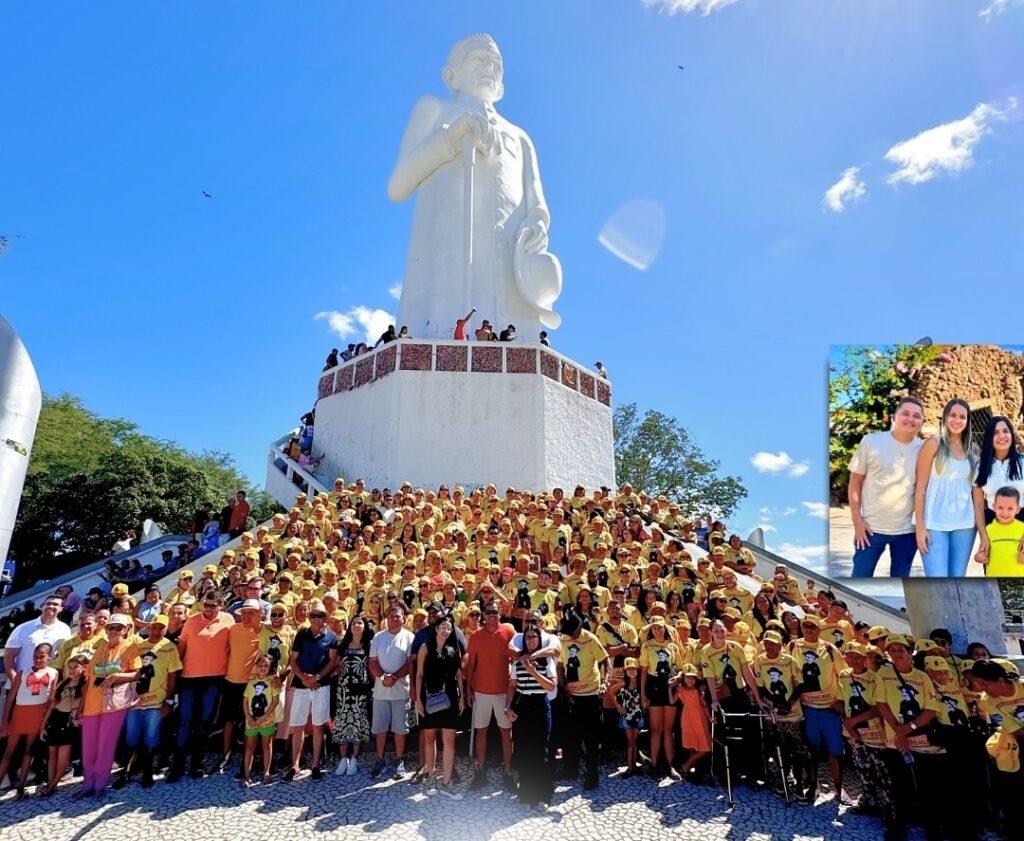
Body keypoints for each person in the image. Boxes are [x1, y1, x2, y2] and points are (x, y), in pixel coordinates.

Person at [388, 34, 563, 338]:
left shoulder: (520, 138)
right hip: (447, 255)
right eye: (478, 59)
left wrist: (537, 224)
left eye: (496, 64)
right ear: (451, 75)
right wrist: (450, 137)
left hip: (510, 261)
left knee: (514, 325)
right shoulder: (435, 109)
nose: (489, 68)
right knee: (444, 311)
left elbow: (537, 204)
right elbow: (398, 186)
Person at [848, 396, 924, 576]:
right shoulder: (871, 442)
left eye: (916, 416)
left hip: (908, 532)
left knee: (900, 582)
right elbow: (855, 482)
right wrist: (857, 521)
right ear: (894, 417)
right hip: (870, 530)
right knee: (859, 579)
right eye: (905, 413)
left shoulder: (923, 449)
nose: (910, 419)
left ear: (922, 422)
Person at [170, 593, 234, 781]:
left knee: (204, 722)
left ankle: (197, 764)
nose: (208, 609)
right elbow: (181, 647)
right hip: (189, 678)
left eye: (213, 605)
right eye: (206, 604)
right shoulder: (192, 621)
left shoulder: (228, 620)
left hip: (214, 679)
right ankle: (178, 766)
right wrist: (174, 673)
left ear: (221, 605)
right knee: (184, 722)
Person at [115, 614, 181, 789]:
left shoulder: (169, 647)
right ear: (149, 627)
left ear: (166, 630)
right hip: (135, 701)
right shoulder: (138, 646)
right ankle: (126, 772)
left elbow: (172, 675)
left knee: (151, 739)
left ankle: (147, 772)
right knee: (131, 738)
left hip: (156, 702)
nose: (156, 631)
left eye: (161, 628)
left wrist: (169, 700)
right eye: (154, 627)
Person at [76, 614, 140, 799]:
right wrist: (81, 707)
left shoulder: (130, 647)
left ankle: (100, 784)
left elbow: (137, 673)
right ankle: (87, 784)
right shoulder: (100, 648)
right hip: (92, 703)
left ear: (125, 630)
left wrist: (119, 676)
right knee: (88, 746)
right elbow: (89, 680)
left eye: (118, 628)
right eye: (110, 627)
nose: (113, 631)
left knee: (106, 744)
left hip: (113, 704)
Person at [914, 398, 977, 577]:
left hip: (965, 524)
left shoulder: (973, 450)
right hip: (934, 523)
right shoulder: (933, 444)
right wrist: (919, 527)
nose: (957, 420)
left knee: (957, 579)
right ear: (945, 417)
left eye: (962, 417)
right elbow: (920, 488)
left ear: (968, 421)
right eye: (953, 415)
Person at [465, 603, 517, 792]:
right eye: (488, 612)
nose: (492, 615)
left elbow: (517, 657)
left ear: (500, 613)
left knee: (506, 733)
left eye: (495, 612)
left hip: (503, 692)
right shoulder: (476, 635)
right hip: (481, 692)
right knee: (481, 731)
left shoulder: (509, 632)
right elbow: (471, 664)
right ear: (483, 615)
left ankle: (507, 772)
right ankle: (480, 771)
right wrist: (468, 689)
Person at [286, 599, 339, 781]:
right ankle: (295, 765)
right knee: (298, 725)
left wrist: (315, 678)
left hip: (321, 685)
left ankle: (315, 764)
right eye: (313, 616)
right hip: (302, 684)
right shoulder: (301, 634)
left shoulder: (332, 637)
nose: (316, 619)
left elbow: (332, 662)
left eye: (320, 616)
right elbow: (293, 660)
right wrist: (303, 678)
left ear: (325, 618)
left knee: (318, 726)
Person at [506, 623, 557, 806]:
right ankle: (526, 792)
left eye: (534, 636)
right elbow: (512, 685)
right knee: (523, 749)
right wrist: (507, 707)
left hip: (540, 704)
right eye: (528, 637)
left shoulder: (547, 660)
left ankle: (543, 793)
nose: (531, 640)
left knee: (541, 750)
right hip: (523, 704)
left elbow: (550, 686)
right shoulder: (517, 661)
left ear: (539, 639)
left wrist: (532, 672)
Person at [414, 615, 465, 798]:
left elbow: (459, 674)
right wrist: (418, 699)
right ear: (436, 628)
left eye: (449, 628)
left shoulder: (453, 649)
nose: (445, 630)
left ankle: (446, 782)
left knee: (449, 740)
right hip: (429, 697)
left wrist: (462, 696)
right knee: (429, 738)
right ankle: (430, 778)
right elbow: (419, 675)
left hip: (449, 697)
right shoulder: (425, 648)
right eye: (443, 627)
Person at [557, 611, 609, 791]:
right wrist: (563, 686)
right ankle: (570, 769)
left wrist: (605, 682)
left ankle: (592, 774)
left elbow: (606, 661)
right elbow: (560, 665)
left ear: (580, 627)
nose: (571, 635)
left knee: (591, 738)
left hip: (591, 695)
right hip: (571, 696)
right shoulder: (563, 640)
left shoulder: (591, 639)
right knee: (570, 735)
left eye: (573, 631)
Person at [0, 642, 57, 800]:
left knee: (29, 751)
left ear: (50, 657)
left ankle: (20, 788)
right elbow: (10, 697)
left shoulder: (53, 673)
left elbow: (52, 697)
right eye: (35, 656)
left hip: (38, 715)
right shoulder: (23, 672)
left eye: (42, 657)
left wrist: (46, 719)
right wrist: (5, 722)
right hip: (20, 713)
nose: (37, 660)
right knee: (9, 751)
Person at [368, 604, 414, 780]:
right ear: (386, 619)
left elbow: (410, 663)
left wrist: (394, 677)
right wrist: (382, 677)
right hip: (381, 692)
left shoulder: (409, 637)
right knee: (380, 728)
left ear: (404, 619)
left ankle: (399, 760)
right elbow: (372, 661)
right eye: (391, 616)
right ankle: (380, 760)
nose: (394, 619)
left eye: (397, 616)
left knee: (400, 729)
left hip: (401, 692)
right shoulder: (378, 637)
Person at [38, 653, 88, 797]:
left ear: (84, 668)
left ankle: (52, 785)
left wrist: (78, 716)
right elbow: (52, 705)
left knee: (63, 756)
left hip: (69, 720)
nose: (72, 670)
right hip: (56, 718)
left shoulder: (85, 685)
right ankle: (50, 782)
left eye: (75, 667)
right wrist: (43, 725)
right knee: (52, 753)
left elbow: (83, 705)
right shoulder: (63, 683)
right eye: (69, 667)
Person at [332, 615, 374, 776]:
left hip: (361, 690)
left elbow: (371, 668)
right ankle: (343, 759)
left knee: (357, 724)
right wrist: (337, 669)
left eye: (360, 623)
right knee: (342, 723)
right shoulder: (343, 645)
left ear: (365, 627)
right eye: (354, 623)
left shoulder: (369, 646)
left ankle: (354, 759)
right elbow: (335, 666)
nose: (356, 625)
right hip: (343, 691)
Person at [3, 594, 71, 685]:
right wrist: (15, 680)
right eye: (48, 604)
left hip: (46, 685)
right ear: (42, 606)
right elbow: (8, 656)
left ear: (61, 608)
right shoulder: (23, 628)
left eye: (55, 604)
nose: (51, 606)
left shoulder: (65, 629)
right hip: (20, 682)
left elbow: (63, 656)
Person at [241, 653, 281, 787]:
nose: (263, 668)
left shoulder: (272, 682)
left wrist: (264, 717)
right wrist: (248, 717)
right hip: (251, 721)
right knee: (249, 748)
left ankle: (266, 773)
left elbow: (275, 701)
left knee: (267, 746)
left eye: (266, 666)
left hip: (267, 720)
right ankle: (246, 776)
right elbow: (245, 701)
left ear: (270, 667)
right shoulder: (251, 682)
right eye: (260, 665)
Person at [975, 486, 1024, 576]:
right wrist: (979, 557)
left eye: (1010, 508)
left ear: (1018, 509)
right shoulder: (988, 530)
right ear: (994, 507)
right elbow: (979, 555)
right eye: (1000, 507)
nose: (1005, 512)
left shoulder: (1022, 530)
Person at [674, 663, 712, 779]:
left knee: (705, 747)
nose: (690, 680)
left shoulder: (700, 690)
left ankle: (686, 765)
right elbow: (672, 701)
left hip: (700, 718)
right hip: (687, 717)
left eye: (692, 677)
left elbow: (704, 706)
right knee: (692, 744)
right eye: (687, 677)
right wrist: (672, 687)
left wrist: (710, 717)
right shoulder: (681, 689)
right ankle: (691, 768)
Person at [611, 657, 644, 777]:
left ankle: (634, 765)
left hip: (638, 715)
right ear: (625, 671)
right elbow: (611, 692)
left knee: (635, 740)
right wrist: (618, 706)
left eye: (633, 669)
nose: (631, 672)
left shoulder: (640, 683)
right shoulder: (623, 682)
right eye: (628, 669)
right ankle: (630, 767)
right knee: (630, 741)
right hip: (627, 716)